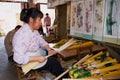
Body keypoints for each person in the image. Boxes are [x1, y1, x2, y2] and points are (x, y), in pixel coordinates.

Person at [12, 8, 67, 78]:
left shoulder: (34, 30)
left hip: (36, 54)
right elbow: (18, 58)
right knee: (53, 62)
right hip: (27, 62)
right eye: (39, 20)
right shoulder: (22, 35)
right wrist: (37, 58)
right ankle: (64, 77)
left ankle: (60, 73)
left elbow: (41, 41)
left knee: (53, 54)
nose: (41, 22)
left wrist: (49, 50)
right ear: (31, 20)